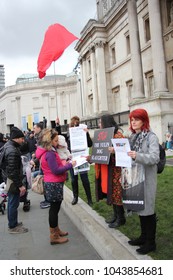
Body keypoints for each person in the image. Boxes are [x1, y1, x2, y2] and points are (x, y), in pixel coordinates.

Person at [127, 108, 160, 254]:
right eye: (132, 119)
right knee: (140, 208)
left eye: (136, 119)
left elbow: (154, 158)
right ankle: (143, 236)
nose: (133, 122)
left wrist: (137, 155)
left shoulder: (151, 137)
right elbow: (128, 155)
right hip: (135, 178)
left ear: (144, 121)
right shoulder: (132, 137)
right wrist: (117, 151)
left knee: (148, 209)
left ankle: (150, 242)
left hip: (147, 178)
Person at [35, 128, 76, 245]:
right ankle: (54, 236)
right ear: (49, 140)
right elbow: (56, 170)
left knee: (55, 208)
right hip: (54, 183)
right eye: (56, 140)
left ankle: (56, 230)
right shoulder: (50, 154)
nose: (58, 142)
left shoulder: (46, 152)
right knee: (54, 209)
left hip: (52, 183)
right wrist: (69, 165)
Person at [95, 114, 126, 228]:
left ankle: (121, 218)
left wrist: (114, 151)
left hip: (117, 170)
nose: (99, 125)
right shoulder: (104, 135)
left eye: (100, 122)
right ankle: (116, 215)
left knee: (117, 193)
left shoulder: (118, 135)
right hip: (109, 169)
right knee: (112, 192)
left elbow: (124, 152)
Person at [3, 127, 28, 233]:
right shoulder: (12, 150)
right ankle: (13, 226)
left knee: (12, 202)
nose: (23, 140)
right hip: (13, 180)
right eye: (21, 138)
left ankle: (13, 223)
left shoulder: (10, 146)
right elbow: (13, 170)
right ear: (16, 138)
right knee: (13, 203)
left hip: (10, 178)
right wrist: (20, 185)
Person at [67, 116, 93, 206]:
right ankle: (75, 197)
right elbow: (67, 147)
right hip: (73, 159)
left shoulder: (83, 132)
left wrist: (87, 134)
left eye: (77, 123)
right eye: (74, 124)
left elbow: (90, 144)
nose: (75, 125)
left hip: (82, 158)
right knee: (74, 180)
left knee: (84, 179)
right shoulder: (69, 134)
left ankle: (89, 199)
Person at [32, 122, 50, 209]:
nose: (33, 130)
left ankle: (48, 200)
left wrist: (35, 160)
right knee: (43, 180)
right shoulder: (38, 137)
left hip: (44, 162)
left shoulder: (43, 137)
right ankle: (46, 199)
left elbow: (43, 150)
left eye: (34, 128)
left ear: (39, 128)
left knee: (44, 181)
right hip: (42, 162)